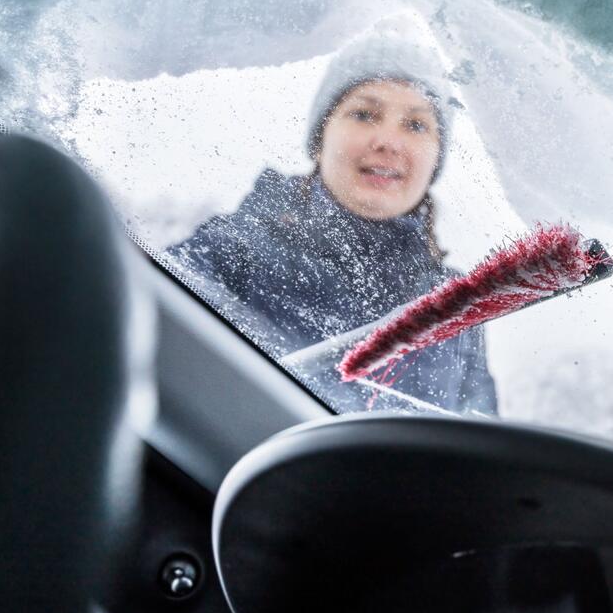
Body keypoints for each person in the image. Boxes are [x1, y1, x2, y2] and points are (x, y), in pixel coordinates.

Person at [166, 36, 498, 414]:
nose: (389, 141)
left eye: (416, 125)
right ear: (321, 138)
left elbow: (478, 443)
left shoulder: (457, 309)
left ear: (436, 158)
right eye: (364, 114)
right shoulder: (233, 249)